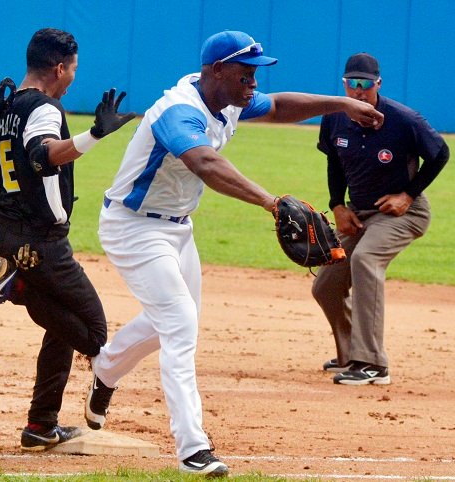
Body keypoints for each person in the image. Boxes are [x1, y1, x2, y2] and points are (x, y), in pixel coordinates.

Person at [82, 31, 384, 476]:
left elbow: (280, 106)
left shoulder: (227, 99)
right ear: (216, 70)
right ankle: (192, 449)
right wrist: (272, 202)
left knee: (172, 320)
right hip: (134, 228)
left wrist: (342, 104)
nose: (253, 82)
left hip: (178, 229)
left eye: (256, 72)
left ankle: (105, 367)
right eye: (246, 72)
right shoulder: (177, 111)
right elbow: (205, 163)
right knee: (180, 325)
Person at [0, 28, 134, 450]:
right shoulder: (44, 108)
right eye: (73, 68)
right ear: (59, 67)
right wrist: (94, 135)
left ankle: (40, 425)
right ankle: (14, 285)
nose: (73, 76)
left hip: (1, 239)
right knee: (95, 335)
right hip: (41, 244)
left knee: (59, 326)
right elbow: (42, 156)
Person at [312, 53, 449, 386]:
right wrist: (337, 205)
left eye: (365, 83)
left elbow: (440, 153)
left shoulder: (404, 119)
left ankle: (372, 363)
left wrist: (408, 195)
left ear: (378, 84)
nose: (358, 90)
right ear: (343, 84)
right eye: (352, 83)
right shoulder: (335, 117)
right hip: (359, 215)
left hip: (403, 214)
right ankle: (349, 353)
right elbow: (334, 162)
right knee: (326, 284)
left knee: (366, 258)